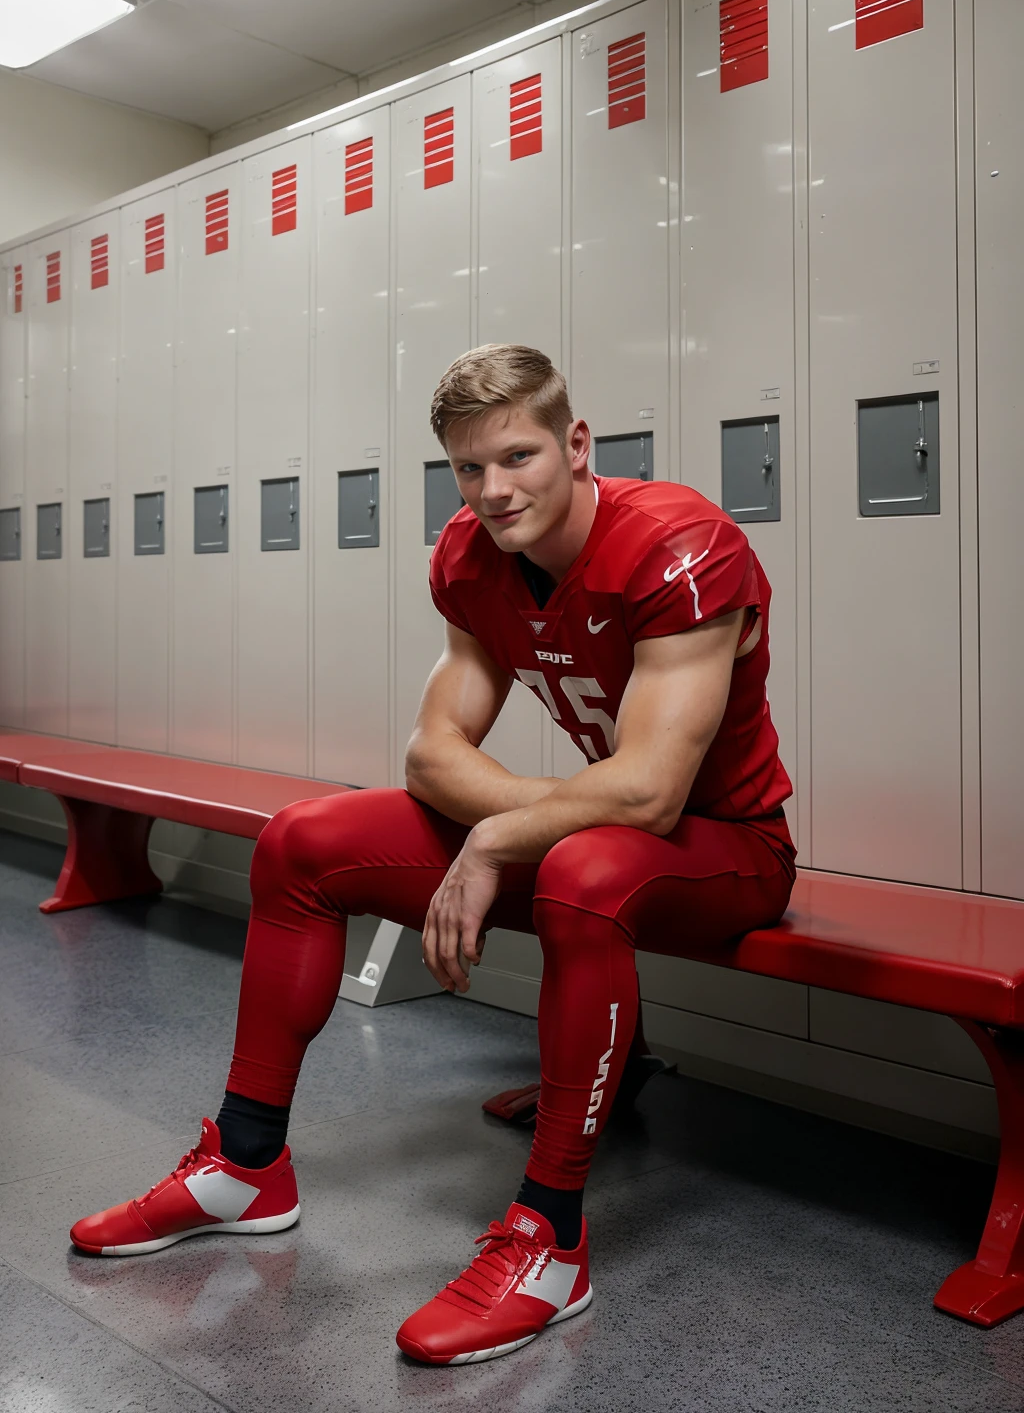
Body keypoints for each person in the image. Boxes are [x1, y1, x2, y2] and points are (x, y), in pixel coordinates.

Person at [70, 345, 796, 1366]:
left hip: (727, 851)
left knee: (587, 875)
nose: (494, 491)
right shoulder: (470, 555)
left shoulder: (679, 544)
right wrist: (527, 817)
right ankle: (243, 1168)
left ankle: (550, 1243)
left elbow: (649, 790)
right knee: (303, 841)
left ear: (577, 445)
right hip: (601, 836)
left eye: (519, 457)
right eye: (468, 468)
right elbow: (430, 755)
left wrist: (501, 833)